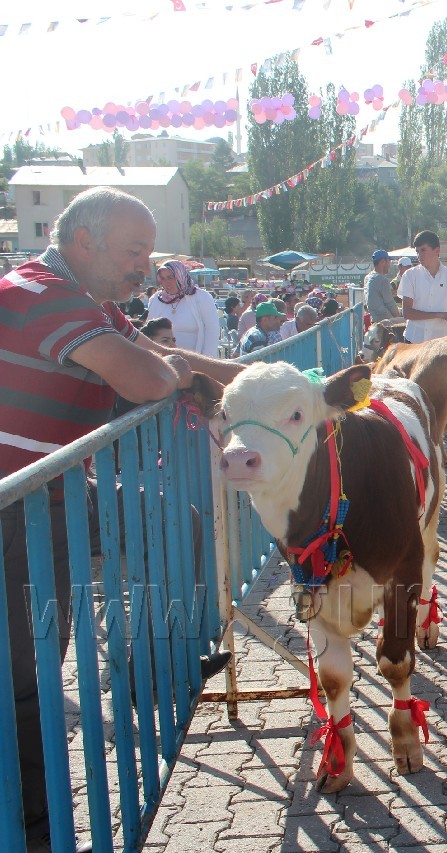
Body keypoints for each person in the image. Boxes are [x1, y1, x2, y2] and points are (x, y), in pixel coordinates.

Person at [0, 187, 240, 850]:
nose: (146, 265)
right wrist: (171, 369)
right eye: (135, 251)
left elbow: (178, 366)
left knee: (176, 524)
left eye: (149, 251)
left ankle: (145, 670)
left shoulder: (92, 302)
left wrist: (263, 380)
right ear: (85, 241)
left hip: (61, 488)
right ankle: (39, 832)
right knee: (31, 680)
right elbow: (148, 379)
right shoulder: (38, 292)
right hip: (15, 509)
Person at [397, 229, 447, 344]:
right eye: (418, 251)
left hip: (440, 344)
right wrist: (441, 315)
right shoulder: (410, 275)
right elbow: (407, 313)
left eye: (423, 250)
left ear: (437, 250)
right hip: (414, 341)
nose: (419, 255)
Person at [146, 259, 222, 357]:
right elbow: (149, 333)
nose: (166, 282)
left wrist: (207, 361)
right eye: (163, 278)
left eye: (170, 277)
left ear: (180, 276)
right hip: (163, 362)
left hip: (196, 361)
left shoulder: (202, 297)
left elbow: (212, 330)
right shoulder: (156, 300)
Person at [364, 249, 399, 323]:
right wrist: (399, 317)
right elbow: (390, 304)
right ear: (383, 261)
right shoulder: (382, 280)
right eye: (389, 261)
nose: (389, 265)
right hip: (384, 322)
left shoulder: (367, 277)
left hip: (373, 320)